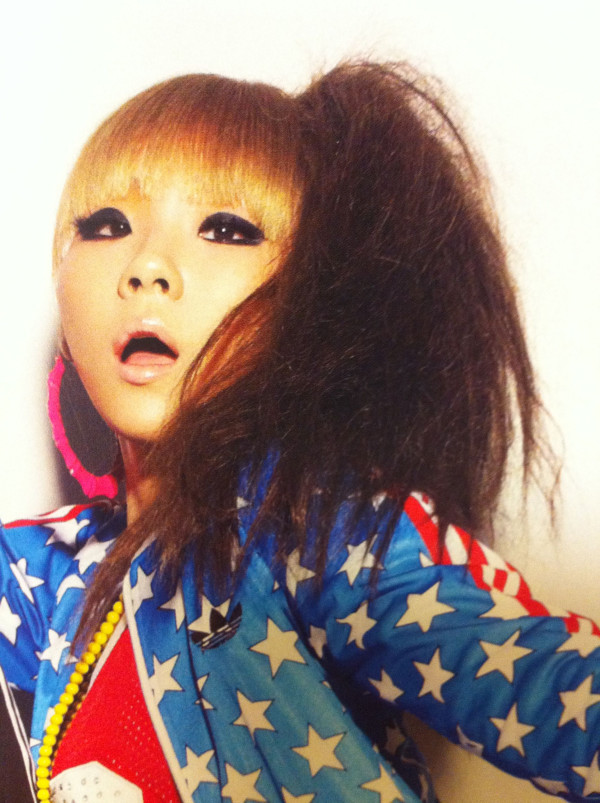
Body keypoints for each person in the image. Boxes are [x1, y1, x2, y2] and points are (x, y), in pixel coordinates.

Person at [0, 61, 598, 803]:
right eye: (106, 225)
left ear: (304, 302)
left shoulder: (316, 532)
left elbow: (555, 689)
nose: (147, 266)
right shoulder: (47, 574)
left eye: (227, 230)